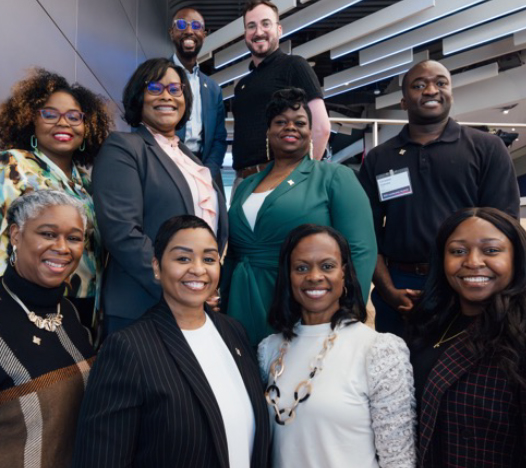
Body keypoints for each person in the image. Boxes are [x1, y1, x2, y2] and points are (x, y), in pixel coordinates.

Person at [72, 215, 269, 468]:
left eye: (209, 259)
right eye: (183, 258)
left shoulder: (234, 332)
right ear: (156, 266)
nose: (198, 269)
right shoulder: (127, 348)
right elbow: (101, 458)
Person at [359, 59, 520, 337]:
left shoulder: (487, 148)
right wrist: (387, 290)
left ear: (451, 94)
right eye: (419, 85)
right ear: (403, 101)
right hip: (400, 283)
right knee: (395, 370)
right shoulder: (379, 158)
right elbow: (366, 235)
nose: (431, 90)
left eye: (440, 83)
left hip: (465, 280)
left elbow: (505, 228)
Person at [221, 88, 376, 347]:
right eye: (280, 122)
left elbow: (361, 248)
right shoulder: (247, 185)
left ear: (310, 131)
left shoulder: (333, 177)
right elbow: (234, 253)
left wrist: (345, 309)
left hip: (301, 301)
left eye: (300, 123)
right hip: (241, 300)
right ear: (268, 132)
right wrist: (223, 297)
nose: (290, 127)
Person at [258, 224, 416, 468]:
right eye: (301, 267)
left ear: (344, 274)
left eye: (327, 266)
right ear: (288, 277)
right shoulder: (268, 349)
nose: (314, 276)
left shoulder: (379, 349)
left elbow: (398, 458)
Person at [93, 58, 228, 335]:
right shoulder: (124, 148)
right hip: (142, 308)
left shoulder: (192, 161)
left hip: (193, 308)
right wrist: (176, 286)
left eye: (175, 89)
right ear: (138, 96)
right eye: (155, 87)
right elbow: (122, 232)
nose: (166, 95)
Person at [408, 207, 526, 467]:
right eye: (458, 251)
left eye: (491, 250)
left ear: (516, 258)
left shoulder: (519, 337)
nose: (472, 261)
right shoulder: (428, 324)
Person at [0, 68, 111, 332]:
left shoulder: (87, 182)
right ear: (31, 121)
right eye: (49, 114)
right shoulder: (12, 163)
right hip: (28, 301)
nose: (63, 123)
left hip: (85, 304)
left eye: (75, 117)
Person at [0, 190, 94, 468]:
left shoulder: (72, 313)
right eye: (48, 234)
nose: (63, 248)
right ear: (16, 235)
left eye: (74, 238)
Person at [231, 0, 331, 189]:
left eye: (265, 24)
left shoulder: (295, 66)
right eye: (251, 26)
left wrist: (299, 180)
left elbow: (321, 128)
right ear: (245, 34)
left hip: (279, 179)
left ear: (279, 29)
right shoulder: (242, 85)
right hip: (241, 183)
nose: (259, 32)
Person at [170, 7, 227, 192]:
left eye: (196, 26)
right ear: (171, 33)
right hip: (166, 170)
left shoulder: (213, 89)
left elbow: (219, 139)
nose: (188, 31)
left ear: (204, 34)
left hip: (205, 174)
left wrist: (206, 173)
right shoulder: (156, 76)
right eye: (181, 25)